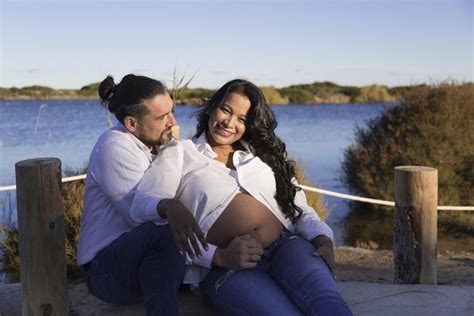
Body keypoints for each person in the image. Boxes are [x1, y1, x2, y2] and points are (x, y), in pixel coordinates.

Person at [131, 79, 352, 315]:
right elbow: (142, 208)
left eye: (242, 119)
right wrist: (216, 256)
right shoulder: (182, 152)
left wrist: (322, 237)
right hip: (227, 268)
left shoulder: (263, 153)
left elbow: (298, 208)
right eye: (226, 110)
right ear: (212, 106)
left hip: (287, 246)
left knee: (329, 305)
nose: (229, 123)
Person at [77, 74, 260, 316]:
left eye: (171, 111)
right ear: (132, 124)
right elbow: (145, 219)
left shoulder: (159, 142)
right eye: (162, 117)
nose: (172, 121)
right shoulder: (114, 146)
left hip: (150, 261)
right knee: (163, 234)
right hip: (108, 271)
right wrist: (219, 256)